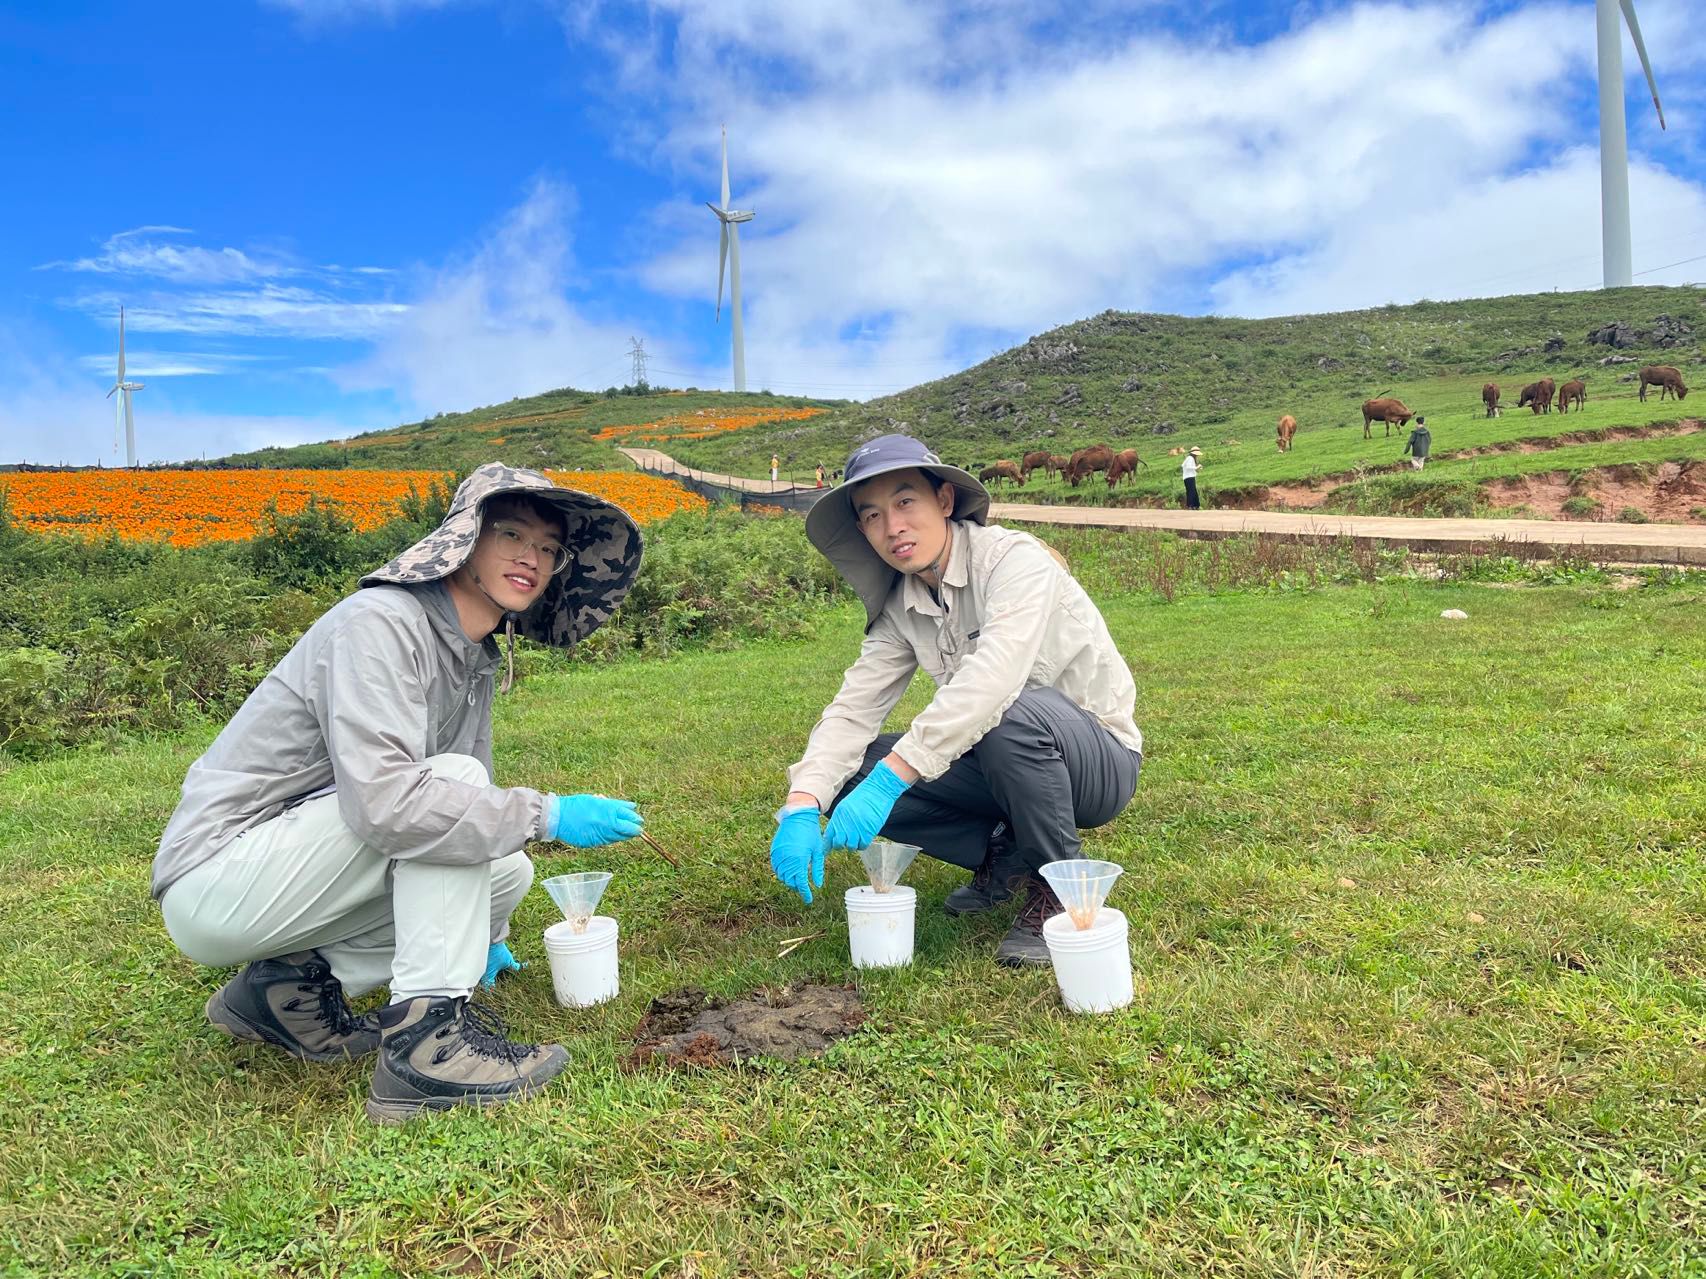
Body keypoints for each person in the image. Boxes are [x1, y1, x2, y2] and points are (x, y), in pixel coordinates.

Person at [152, 463, 646, 1124]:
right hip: (217, 875)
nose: (532, 557)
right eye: (512, 534)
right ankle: (426, 1049)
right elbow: (389, 804)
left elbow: (460, 812)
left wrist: (486, 931)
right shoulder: (381, 624)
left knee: (507, 872)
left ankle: (282, 991)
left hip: (291, 865)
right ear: (466, 538)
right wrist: (548, 813)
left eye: (550, 549)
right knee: (451, 792)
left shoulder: (472, 654)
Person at [767, 435, 1143, 967]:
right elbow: (854, 707)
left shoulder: (1014, 560)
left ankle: (1058, 890)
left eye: (904, 502)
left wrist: (894, 777)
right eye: (871, 515)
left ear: (944, 500)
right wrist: (802, 804)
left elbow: (995, 679)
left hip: (1095, 761)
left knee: (1005, 713)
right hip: (1002, 759)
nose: (892, 526)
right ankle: (1003, 854)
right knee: (851, 771)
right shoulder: (902, 604)